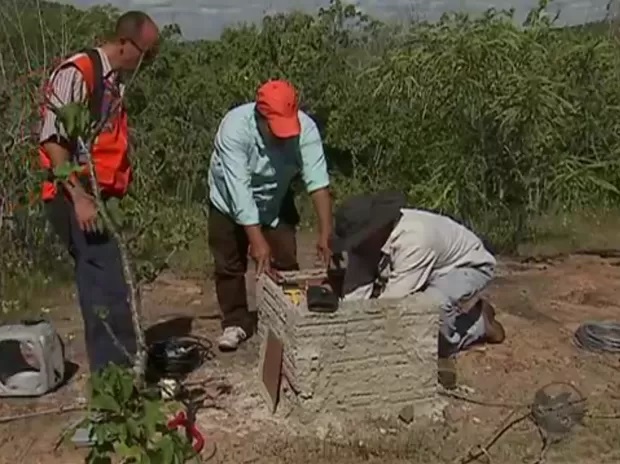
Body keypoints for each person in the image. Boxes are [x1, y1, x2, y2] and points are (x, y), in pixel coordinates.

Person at [37, 11, 160, 373]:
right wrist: (79, 197)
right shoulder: (79, 73)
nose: (147, 63)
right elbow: (53, 143)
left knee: (111, 282)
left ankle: (121, 373)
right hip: (77, 198)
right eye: (146, 54)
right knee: (104, 287)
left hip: (102, 197)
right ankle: (115, 381)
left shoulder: (114, 81)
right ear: (125, 44)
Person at [207, 79, 332, 352]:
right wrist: (256, 240)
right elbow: (239, 191)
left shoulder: (305, 128)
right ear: (260, 117)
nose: (282, 136)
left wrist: (325, 232)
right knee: (229, 263)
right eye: (276, 129)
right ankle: (236, 321)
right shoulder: (235, 129)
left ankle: (287, 314)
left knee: (285, 257)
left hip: (275, 196)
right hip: (229, 201)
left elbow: (318, 181)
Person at [327, 191, 505, 359]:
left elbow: (390, 303)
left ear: (374, 230)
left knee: (431, 310)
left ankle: (478, 326)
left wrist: (366, 339)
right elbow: (355, 294)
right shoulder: (366, 243)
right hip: (429, 267)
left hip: (468, 265)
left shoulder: (414, 239)